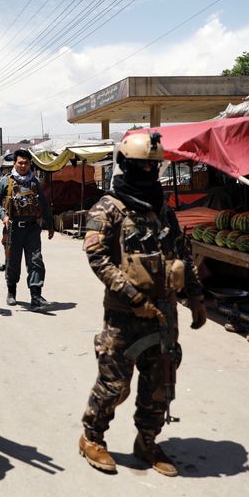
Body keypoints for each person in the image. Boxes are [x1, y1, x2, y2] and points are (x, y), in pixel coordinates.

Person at [78, 131, 207, 477]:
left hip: (163, 313)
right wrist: (130, 296)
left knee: (160, 382)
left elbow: (181, 251)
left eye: (154, 167)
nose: (149, 173)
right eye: (141, 167)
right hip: (125, 315)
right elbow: (97, 257)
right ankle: (92, 437)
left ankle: (147, 440)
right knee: (114, 383)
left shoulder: (163, 210)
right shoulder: (108, 208)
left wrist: (195, 297)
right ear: (126, 166)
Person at [0, 149, 54, 311]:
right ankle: (11, 292)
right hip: (13, 228)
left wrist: (50, 224)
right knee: (12, 262)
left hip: (32, 228)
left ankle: (36, 296)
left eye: (26, 163)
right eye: (20, 162)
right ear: (15, 163)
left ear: (30, 164)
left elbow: (44, 205)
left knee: (35, 261)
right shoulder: (6, 182)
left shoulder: (34, 182)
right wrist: (3, 216)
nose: (23, 166)